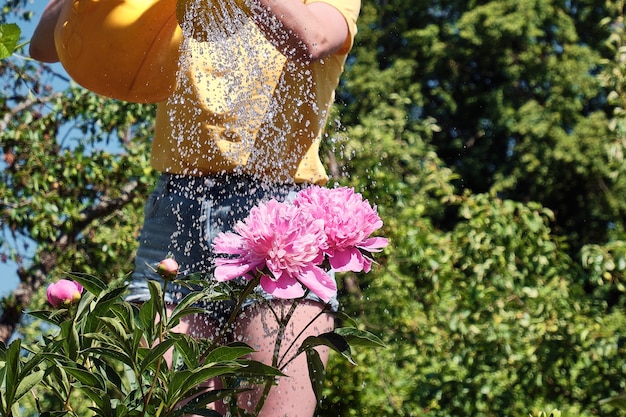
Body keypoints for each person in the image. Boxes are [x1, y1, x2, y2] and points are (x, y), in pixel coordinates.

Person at [30, 0, 360, 415]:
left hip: (281, 214)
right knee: (179, 406)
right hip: (177, 209)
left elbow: (311, 39)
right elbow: (45, 43)